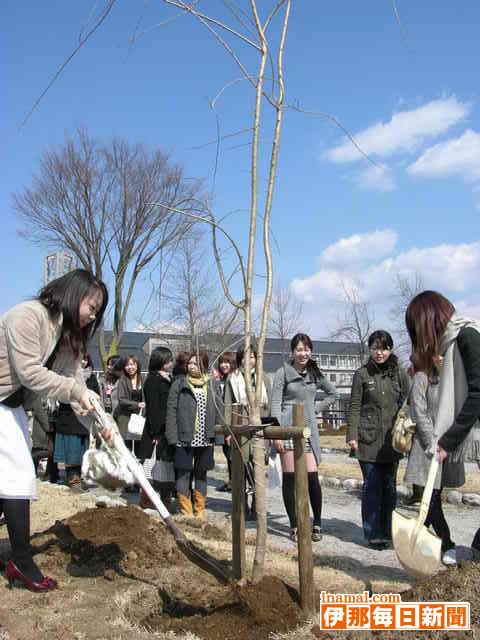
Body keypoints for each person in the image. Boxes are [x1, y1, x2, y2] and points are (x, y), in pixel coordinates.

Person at [0, 269, 109, 592]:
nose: (93, 315)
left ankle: (18, 558)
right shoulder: (27, 316)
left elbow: (75, 385)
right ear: (74, 294)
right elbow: (31, 373)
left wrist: (101, 427)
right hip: (2, 402)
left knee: (11, 481)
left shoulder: (67, 335)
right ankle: (21, 561)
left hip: (13, 407)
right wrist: (77, 393)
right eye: (92, 306)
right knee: (18, 478)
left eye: (98, 311)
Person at [405, 290, 480, 557]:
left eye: (418, 330)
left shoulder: (468, 336)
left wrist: (447, 442)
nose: (421, 340)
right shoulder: (453, 344)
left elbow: (477, 394)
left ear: (429, 321)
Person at [271, 333, 338, 542]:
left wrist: (313, 409)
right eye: (299, 349)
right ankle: (294, 525)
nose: (303, 353)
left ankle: (316, 522)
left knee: (311, 476)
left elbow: (332, 394)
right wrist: (277, 434)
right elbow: (274, 403)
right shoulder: (283, 372)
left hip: (308, 430)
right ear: (293, 352)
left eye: (307, 349)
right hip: (287, 428)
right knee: (290, 477)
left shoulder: (315, 372)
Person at [347, 330, 409, 549]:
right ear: (370, 349)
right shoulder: (362, 374)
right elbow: (354, 406)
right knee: (372, 487)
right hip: (367, 440)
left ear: (390, 349)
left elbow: (408, 401)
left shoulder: (398, 373)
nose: (379, 352)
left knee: (389, 489)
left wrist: (406, 427)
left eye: (383, 347)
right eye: (374, 347)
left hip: (392, 442)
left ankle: (388, 531)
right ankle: (373, 533)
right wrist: (352, 435)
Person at [404, 354, 464, 566]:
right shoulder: (422, 377)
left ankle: (418, 537)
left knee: (433, 499)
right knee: (432, 499)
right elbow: (418, 411)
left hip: (450, 446)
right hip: (428, 447)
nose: (440, 358)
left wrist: (451, 441)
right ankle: (447, 544)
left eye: (444, 353)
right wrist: (433, 442)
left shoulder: (456, 378)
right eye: (436, 353)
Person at [166, 351, 216, 519]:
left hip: (205, 437)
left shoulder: (211, 384)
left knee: (201, 473)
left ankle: (200, 509)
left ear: (204, 365)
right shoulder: (179, 384)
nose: (192, 366)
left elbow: (219, 411)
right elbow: (171, 411)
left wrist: (217, 437)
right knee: (183, 473)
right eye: (190, 363)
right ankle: (185, 510)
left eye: (196, 363)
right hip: (184, 438)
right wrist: (173, 438)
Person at [225, 346, 272, 521]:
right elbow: (228, 406)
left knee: (257, 468)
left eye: (252, 356)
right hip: (240, 425)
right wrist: (229, 431)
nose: (248, 360)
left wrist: (268, 431)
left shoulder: (264, 378)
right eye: (244, 356)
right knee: (240, 469)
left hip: (259, 427)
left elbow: (269, 406)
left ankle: (258, 508)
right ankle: (241, 507)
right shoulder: (233, 378)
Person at [54, 353, 100, 490]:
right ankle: (73, 478)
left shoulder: (92, 377)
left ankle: (84, 477)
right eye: (81, 359)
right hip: (68, 417)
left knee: (84, 451)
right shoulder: (67, 374)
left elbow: (96, 394)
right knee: (71, 451)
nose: (83, 362)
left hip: (85, 418)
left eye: (86, 359)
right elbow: (60, 395)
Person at [138, 347, 174, 511]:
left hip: (167, 430)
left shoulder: (169, 378)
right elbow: (154, 409)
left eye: (170, 360)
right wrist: (157, 432)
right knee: (151, 467)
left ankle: (164, 500)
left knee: (165, 467)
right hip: (156, 431)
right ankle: (147, 500)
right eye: (167, 360)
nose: (170, 363)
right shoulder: (153, 380)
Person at [114, 355, 145, 453]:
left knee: (139, 446)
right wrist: (137, 404)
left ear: (137, 365)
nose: (130, 367)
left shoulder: (143, 378)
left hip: (139, 416)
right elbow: (121, 399)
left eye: (132, 364)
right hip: (125, 416)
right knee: (125, 447)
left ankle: (137, 467)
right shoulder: (123, 380)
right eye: (127, 365)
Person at [216, 352, 236, 493]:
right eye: (222, 362)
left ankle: (236, 481)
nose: (224, 365)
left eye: (227, 362)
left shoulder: (235, 379)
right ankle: (231, 480)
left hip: (233, 421)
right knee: (226, 451)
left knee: (232, 453)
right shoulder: (220, 380)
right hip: (222, 421)